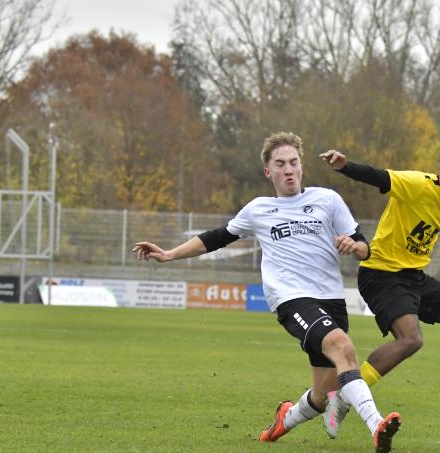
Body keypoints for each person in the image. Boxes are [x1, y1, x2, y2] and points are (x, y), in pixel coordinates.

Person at [133, 132, 401, 452]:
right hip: (291, 299)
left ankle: (283, 421)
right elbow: (217, 237)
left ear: (302, 167)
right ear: (268, 172)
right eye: (280, 164)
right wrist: (169, 254)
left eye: (294, 163)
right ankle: (377, 426)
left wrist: (354, 246)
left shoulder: (327, 200)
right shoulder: (259, 209)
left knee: (323, 392)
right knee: (343, 347)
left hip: (331, 300)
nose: (289, 169)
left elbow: (364, 247)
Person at [318, 140, 440, 438]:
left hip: (413, 277)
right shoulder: (417, 184)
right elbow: (378, 177)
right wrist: (344, 166)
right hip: (381, 275)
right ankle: (344, 396)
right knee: (410, 339)